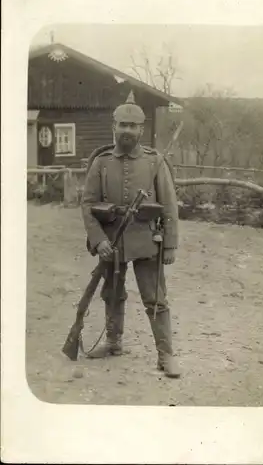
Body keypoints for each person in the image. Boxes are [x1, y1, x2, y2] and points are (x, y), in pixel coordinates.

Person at [81, 91, 181, 378]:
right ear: (114, 127)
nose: (127, 130)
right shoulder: (100, 163)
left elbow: (170, 206)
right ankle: (113, 343)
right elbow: (87, 205)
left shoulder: (155, 162)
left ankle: (166, 355)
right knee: (112, 293)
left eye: (132, 126)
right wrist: (99, 239)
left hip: (147, 240)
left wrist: (171, 244)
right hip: (111, 241)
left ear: (141, 129)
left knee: (156, 298)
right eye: (122, 125)